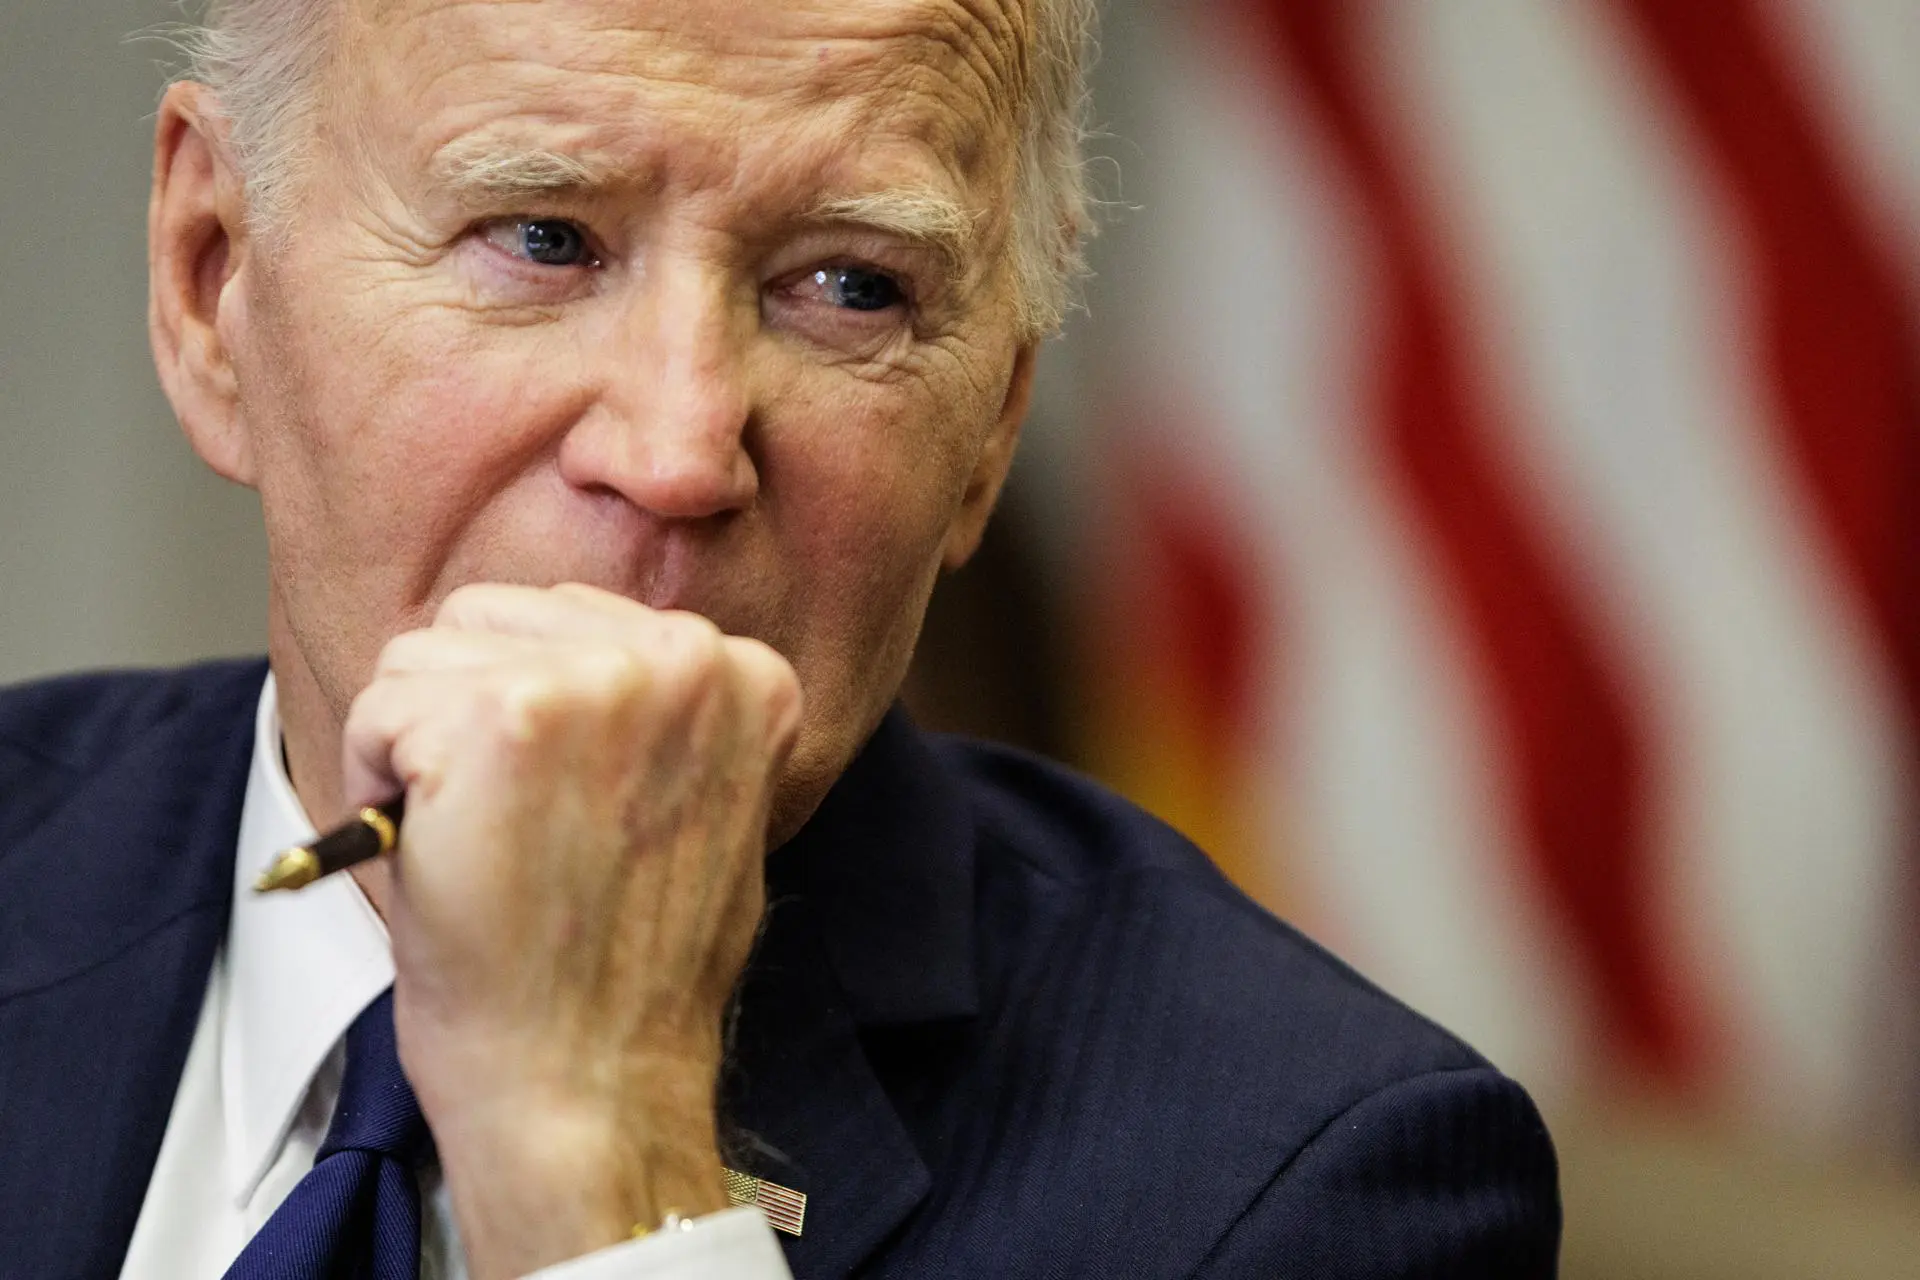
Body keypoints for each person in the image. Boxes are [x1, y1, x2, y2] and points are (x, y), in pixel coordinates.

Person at [0, 0, 1561, 1276]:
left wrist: (604, 1165)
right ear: (213, 281)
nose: (680, 451)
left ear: (993, 429)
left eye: (851, 286)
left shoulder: (1308, 1189)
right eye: (542, 238)